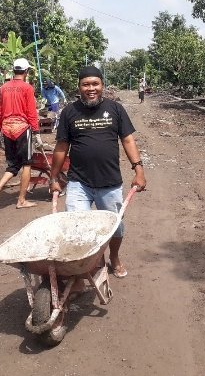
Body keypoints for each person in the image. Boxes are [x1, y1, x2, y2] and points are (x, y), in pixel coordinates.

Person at [49, 66, 146, 279]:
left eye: (95, 84)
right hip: (78, 183)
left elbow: (128, 140)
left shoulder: (115, 109)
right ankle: (83, 270)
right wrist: (54, 177)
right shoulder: (69, 112)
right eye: (86, 84)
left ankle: (115, 257)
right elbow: (61, 148)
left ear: (102, 85)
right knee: (76, 228)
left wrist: (138, 169)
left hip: (110, 183)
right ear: (79, 86)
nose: (90, 88)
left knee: (115, 228)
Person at [0, 58, 40, 209]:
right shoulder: (27, 88)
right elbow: (31, 112)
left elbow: (0, 111)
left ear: (14, 70)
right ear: (26, 71)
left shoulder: (4, 87)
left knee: (12, 165)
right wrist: (36, 132)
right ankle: (21, 200)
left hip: (7, 129)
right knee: (27, 164)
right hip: (22, 128)